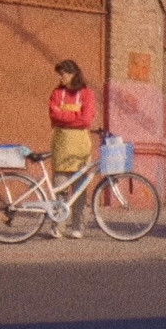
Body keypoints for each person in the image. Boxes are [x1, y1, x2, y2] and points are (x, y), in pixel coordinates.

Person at [48, 59, 98, 239]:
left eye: (63, 73)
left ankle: (77, 226)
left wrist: (65, 116)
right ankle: (57, 226)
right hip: (61, 144)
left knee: (79, 190)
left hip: (80, 146)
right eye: (59, 74)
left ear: (73, 74)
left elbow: (86, 120)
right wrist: (75, 115)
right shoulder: (56, 93)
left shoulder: (87, 94)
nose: (60, 77)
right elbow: (54, 116)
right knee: (60, 187)